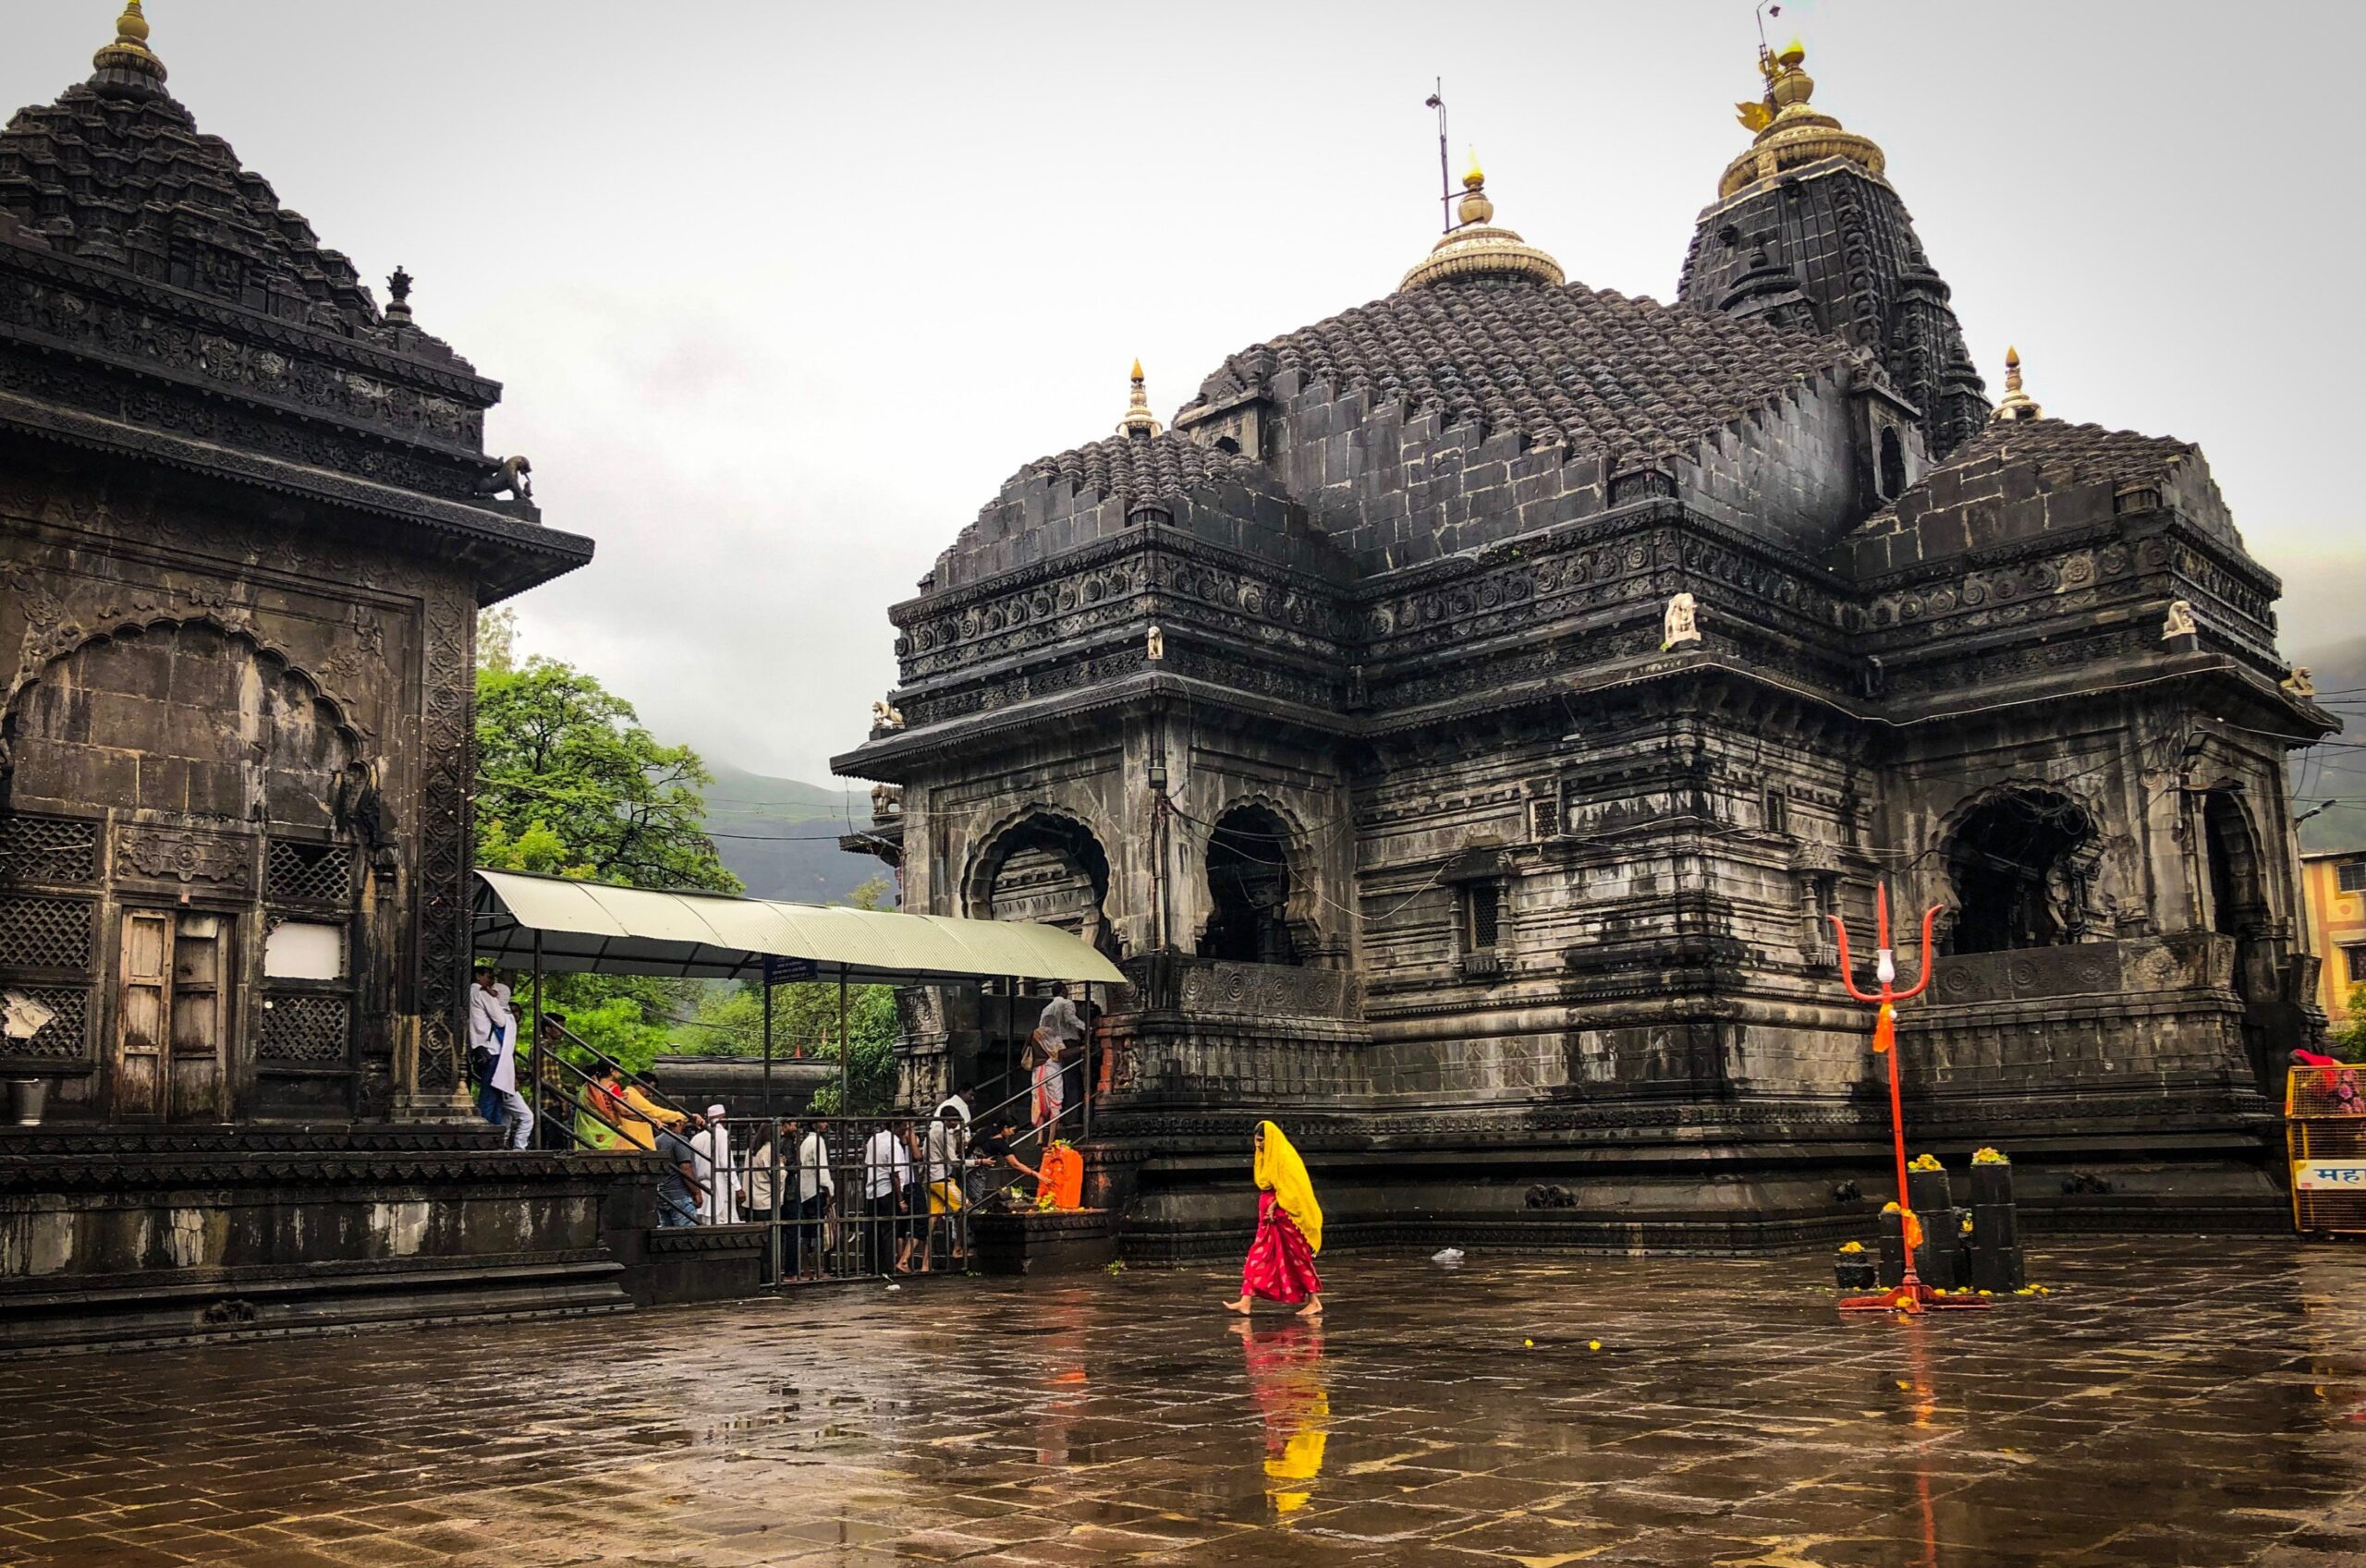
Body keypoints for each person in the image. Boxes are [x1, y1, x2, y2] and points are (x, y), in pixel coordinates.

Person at [1225, 1121, 1323, 1319]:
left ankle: (1314, 1301)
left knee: (1297, 1257)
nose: (1259, 1145)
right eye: (1256, 1140)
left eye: (1262, 1140)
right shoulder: (1263, 1157)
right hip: (1268, 1218)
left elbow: (1294, 1188)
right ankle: (1246, 1301)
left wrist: (1275, 1203)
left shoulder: (1285, 1156)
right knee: (1258, 1255)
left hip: (1285, 1216)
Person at [467, 964, 533, 1150]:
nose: (491, 981)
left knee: (492, 1095)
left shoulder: (469, 994)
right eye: (489, 977)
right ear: (479, 976)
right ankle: (489, 1134)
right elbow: (500, 1020)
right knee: (490, 1096)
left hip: (479, 1049)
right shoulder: (483, 994)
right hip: (492, 1052)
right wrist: (494, 1000)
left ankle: (495, 1134)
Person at [923, 1100, 968, 1270]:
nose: (957, 1124)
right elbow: (954, 1161)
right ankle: (957, 1248)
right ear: (948, 1120)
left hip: (930, 1177)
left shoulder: (931, 1133)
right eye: (955, 1120)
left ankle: (925, 1263)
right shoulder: (944, 1134)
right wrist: (978, 1161)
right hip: (941, 1179)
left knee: (932, 1220)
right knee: (965, 1207)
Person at [861, 1121, 905, 1274]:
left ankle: (871, 1267)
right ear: (895, 1127)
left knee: (873, 1231)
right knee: (888, 1232)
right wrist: (900, 1199)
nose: (905, 1129)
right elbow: (895, 1174)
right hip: (887, 1190)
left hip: (872, 1190)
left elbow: (867, 1162)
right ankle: (887, 1267)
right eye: (903, 1126)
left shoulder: (874, 1139)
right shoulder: (893, 1144)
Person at [969, 1119, 1042, 1208]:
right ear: (1005, 1128)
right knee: (974, 1202)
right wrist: (1036, 1174)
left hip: (966, 1164)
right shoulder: (1000, 1143)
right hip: (976, 1172)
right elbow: (1015, 1164)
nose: (1013, 1133)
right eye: (1012, 1130)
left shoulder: (984, 1132)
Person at [796, 1117, 835, 1277]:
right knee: (817, 1232)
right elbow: (822, 1169)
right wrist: (829, 1191)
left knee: (805, 1233)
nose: (825, 1124)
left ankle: (806, 1269)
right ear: (815, 1125)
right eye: (823, 1122)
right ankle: (818, 1270)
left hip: (804, 1191)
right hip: (815, 1190)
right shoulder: (818, 1142)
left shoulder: (805, 1142)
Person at [689, 1103, 739, 1224]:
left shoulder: (696, 1138)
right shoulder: (721, 1134)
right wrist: (738, 1187)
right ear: (722, 1119)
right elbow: (726, 1163)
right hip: (719, 1186)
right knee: (724, 1222)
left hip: (702, 1187)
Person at [611, 1073, 686, 1152]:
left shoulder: (630, 1094)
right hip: (633, 1145)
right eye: (649, 1089)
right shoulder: (631, 1095)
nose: (649, 1093)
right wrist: (681, 1116)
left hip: (634, 1144)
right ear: (640, 1084)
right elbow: (654, 1111)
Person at [654, 1112, 704, 1228]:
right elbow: (685, 1168)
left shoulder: (657, 1140)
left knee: (666, 1235)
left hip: (662, 1192)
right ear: (678, 1123)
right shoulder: (680, 1140)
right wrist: (697, 1192)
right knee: (687, 1235)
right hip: (680, 1194)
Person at [1029, 1030, 1066, 1142]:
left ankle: (1039, 1137)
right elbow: (1061, 1053)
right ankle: (1050, 1139)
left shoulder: (1034, 1034)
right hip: (1052, 1070)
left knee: (1038, 1102)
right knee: (1055, 1103)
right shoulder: (1054, 1036)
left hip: (1038, 1070)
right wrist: (1081, 1048)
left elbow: (1024, 1050)